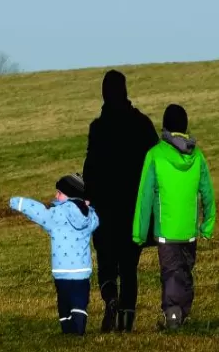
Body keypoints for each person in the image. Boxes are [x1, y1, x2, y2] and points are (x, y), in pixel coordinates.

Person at [81, 69, 159, 332]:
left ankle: (110, 299)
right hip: (134, 206)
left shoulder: (98, 128)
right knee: (128, 265)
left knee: (106, 260)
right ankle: (126, 320)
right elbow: (155, 166)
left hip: (105, 207)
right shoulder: (142, 124)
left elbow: (90, 167)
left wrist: (87, 197)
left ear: (104, 93)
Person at [133, 104, 216, 331]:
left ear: (165, 126)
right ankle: (182, 312)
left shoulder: (155, 154)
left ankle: (172, 315)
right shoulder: (197, 155)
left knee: (171, 272)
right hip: (189, 230)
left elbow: (144, 197)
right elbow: (208, 192)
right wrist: (207, 224)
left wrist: (139, 233)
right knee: (186, 271)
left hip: (166, 230)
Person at [8, 173, 100, 336]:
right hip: (82, 272)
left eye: (59, 193)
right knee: (80, 302)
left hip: (61, 272)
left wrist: (18, 202)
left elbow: (39, 212)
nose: (56, 196)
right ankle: (79, 327)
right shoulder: (90, 217)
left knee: (64, 303)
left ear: (69, 195)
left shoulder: (57, 215)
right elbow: (96, 220)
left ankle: (67, 328)